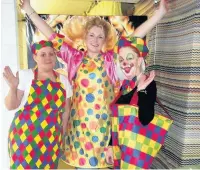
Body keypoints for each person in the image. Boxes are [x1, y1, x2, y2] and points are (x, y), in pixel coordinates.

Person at [19, 0, 168, 168]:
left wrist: (159, 14)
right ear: (85, 37)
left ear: (105, 40)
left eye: (100, 37)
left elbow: (134, 37)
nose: (95, 40)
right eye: (91, 35)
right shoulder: (74, 58)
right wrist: (29, 10)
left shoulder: (111, 59)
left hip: (105, 132)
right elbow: (51, 34)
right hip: (79, 132)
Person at [3, 40, 72, 169]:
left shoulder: (64, 81)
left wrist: (61, 136)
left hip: (50, 139)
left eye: (51, 54)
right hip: (24, 138)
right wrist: (13, 87)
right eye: (43, 54)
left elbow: (66, 112)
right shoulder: (25, 75)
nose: (48, 58)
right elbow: (10, 106)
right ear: (35, 57)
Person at [107, 36, 157, 168]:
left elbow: (146, 119)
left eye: (129, 58)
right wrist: (110, 146)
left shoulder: (148, 84)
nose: (124, 63)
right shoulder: (125, 85)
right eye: (121, 59)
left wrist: (142, 91)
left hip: (135, 152)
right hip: (120, 150)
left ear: (140, 60)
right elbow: (116, 120)